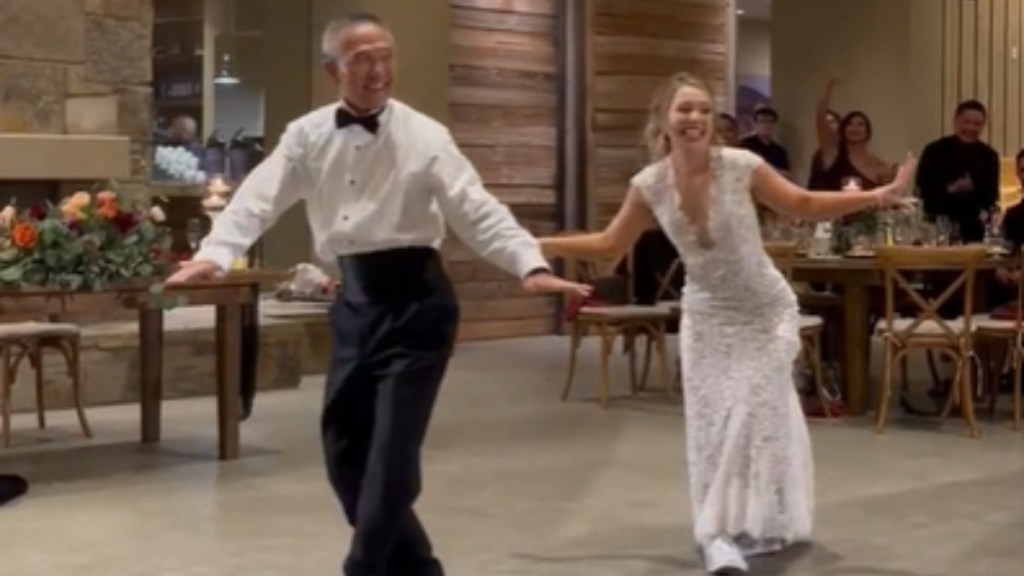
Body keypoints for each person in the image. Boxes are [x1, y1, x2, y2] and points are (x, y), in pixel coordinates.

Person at [166, 13, 589, 576]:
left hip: (419, 305)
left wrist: (528, 264)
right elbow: (258, 199)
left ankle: (362, 567)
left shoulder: (425, 135)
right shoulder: (308, 135)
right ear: (332, 69)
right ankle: (419, 568)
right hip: (354, 304)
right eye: (361, 58)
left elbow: (476, 208)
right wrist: (215, 255)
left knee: (392, 459)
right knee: (345, 452)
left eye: (384, 56)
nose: (377, 69)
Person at [538, 72, 914, 575]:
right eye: (683, 110)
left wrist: (878, 194)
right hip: (707, 319)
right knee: (712, 428)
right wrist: (541, 246)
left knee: (754, 407)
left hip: (765, 311)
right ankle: (717, 532)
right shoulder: (649, 185)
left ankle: (757, 519)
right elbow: (610, 245)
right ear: (663, 120)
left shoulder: (741, 165)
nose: (693, 119)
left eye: (702, 110)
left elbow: (801, 204)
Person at [917, 99, 1001, 243]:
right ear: (955, 121)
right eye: (966, 122)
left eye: (977, 124)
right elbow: (922, 189)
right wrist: (952, 189)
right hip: (937, 227)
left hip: (975, 230)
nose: (971, 128)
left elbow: (991, 197)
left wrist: (974, 188)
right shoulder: (934, 151)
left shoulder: (990, 156)